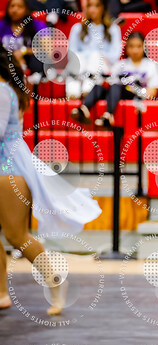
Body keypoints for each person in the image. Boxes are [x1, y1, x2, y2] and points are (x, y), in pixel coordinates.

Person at [0, 44, 102, 314]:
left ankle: (56, 282)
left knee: (16, 236)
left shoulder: (1, 91)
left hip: (7, 171)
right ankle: (1, 292)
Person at [70, 32, 158, 127]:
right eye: (131, 46)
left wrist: (134, 89)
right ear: (126, 47)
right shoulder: (120, 65)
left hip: (135, 95)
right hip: (116, 94)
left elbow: (152, 93)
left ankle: (109, 114)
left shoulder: (151, 65)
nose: (135, 50)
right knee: (101, 86)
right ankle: (84, 109)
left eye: (138, 46)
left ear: (144, 47)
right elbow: (110, 81)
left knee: (116, 86)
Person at [66, 0, 121, 99]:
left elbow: (115, 55)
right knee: (78, 58)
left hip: (103, 68)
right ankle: (73, 92)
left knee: (95, 56)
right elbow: (72, 53)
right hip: (81, 68)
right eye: (90, 6)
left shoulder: (113, 29)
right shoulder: (77, 28)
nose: (93, 9)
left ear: (103, 7)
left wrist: (97, 56)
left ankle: (88, 89)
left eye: (97, 6)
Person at [0, 0, 47, 74]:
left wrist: (24, 51)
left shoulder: (37, 24)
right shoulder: (2, 25)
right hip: (5, 63)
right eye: (12, 6)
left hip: (30, 64)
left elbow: (47, 48)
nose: (14, 10)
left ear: (27, 10)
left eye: (20, 7)